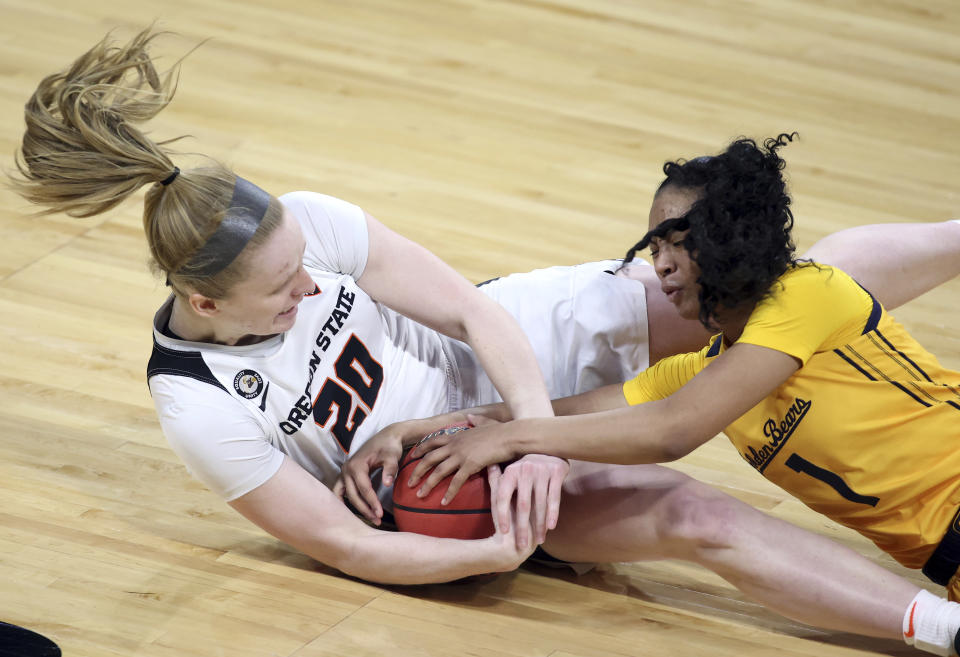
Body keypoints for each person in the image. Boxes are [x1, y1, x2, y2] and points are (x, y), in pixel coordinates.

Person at [13, 28, 960, 656]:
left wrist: (530, 427)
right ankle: (942, 627)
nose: (310, 286)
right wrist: (488, 554)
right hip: (455, 478)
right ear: (202, 303)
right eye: (285, 291)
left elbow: (475, 310)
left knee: (782, 287)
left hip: (509, 365)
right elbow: (346, 543)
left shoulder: (303, 223)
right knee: (695, 519)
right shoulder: (198, 404)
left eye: (306, 265)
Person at [403, 134, 960, 655]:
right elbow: (576, 415)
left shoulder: (806, 293)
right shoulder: (705, 368)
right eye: (653, 247)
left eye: (675, 241)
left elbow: (672, 431)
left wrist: (513, 437)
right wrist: (421, 429)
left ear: (730, 235)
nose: (660, 264)